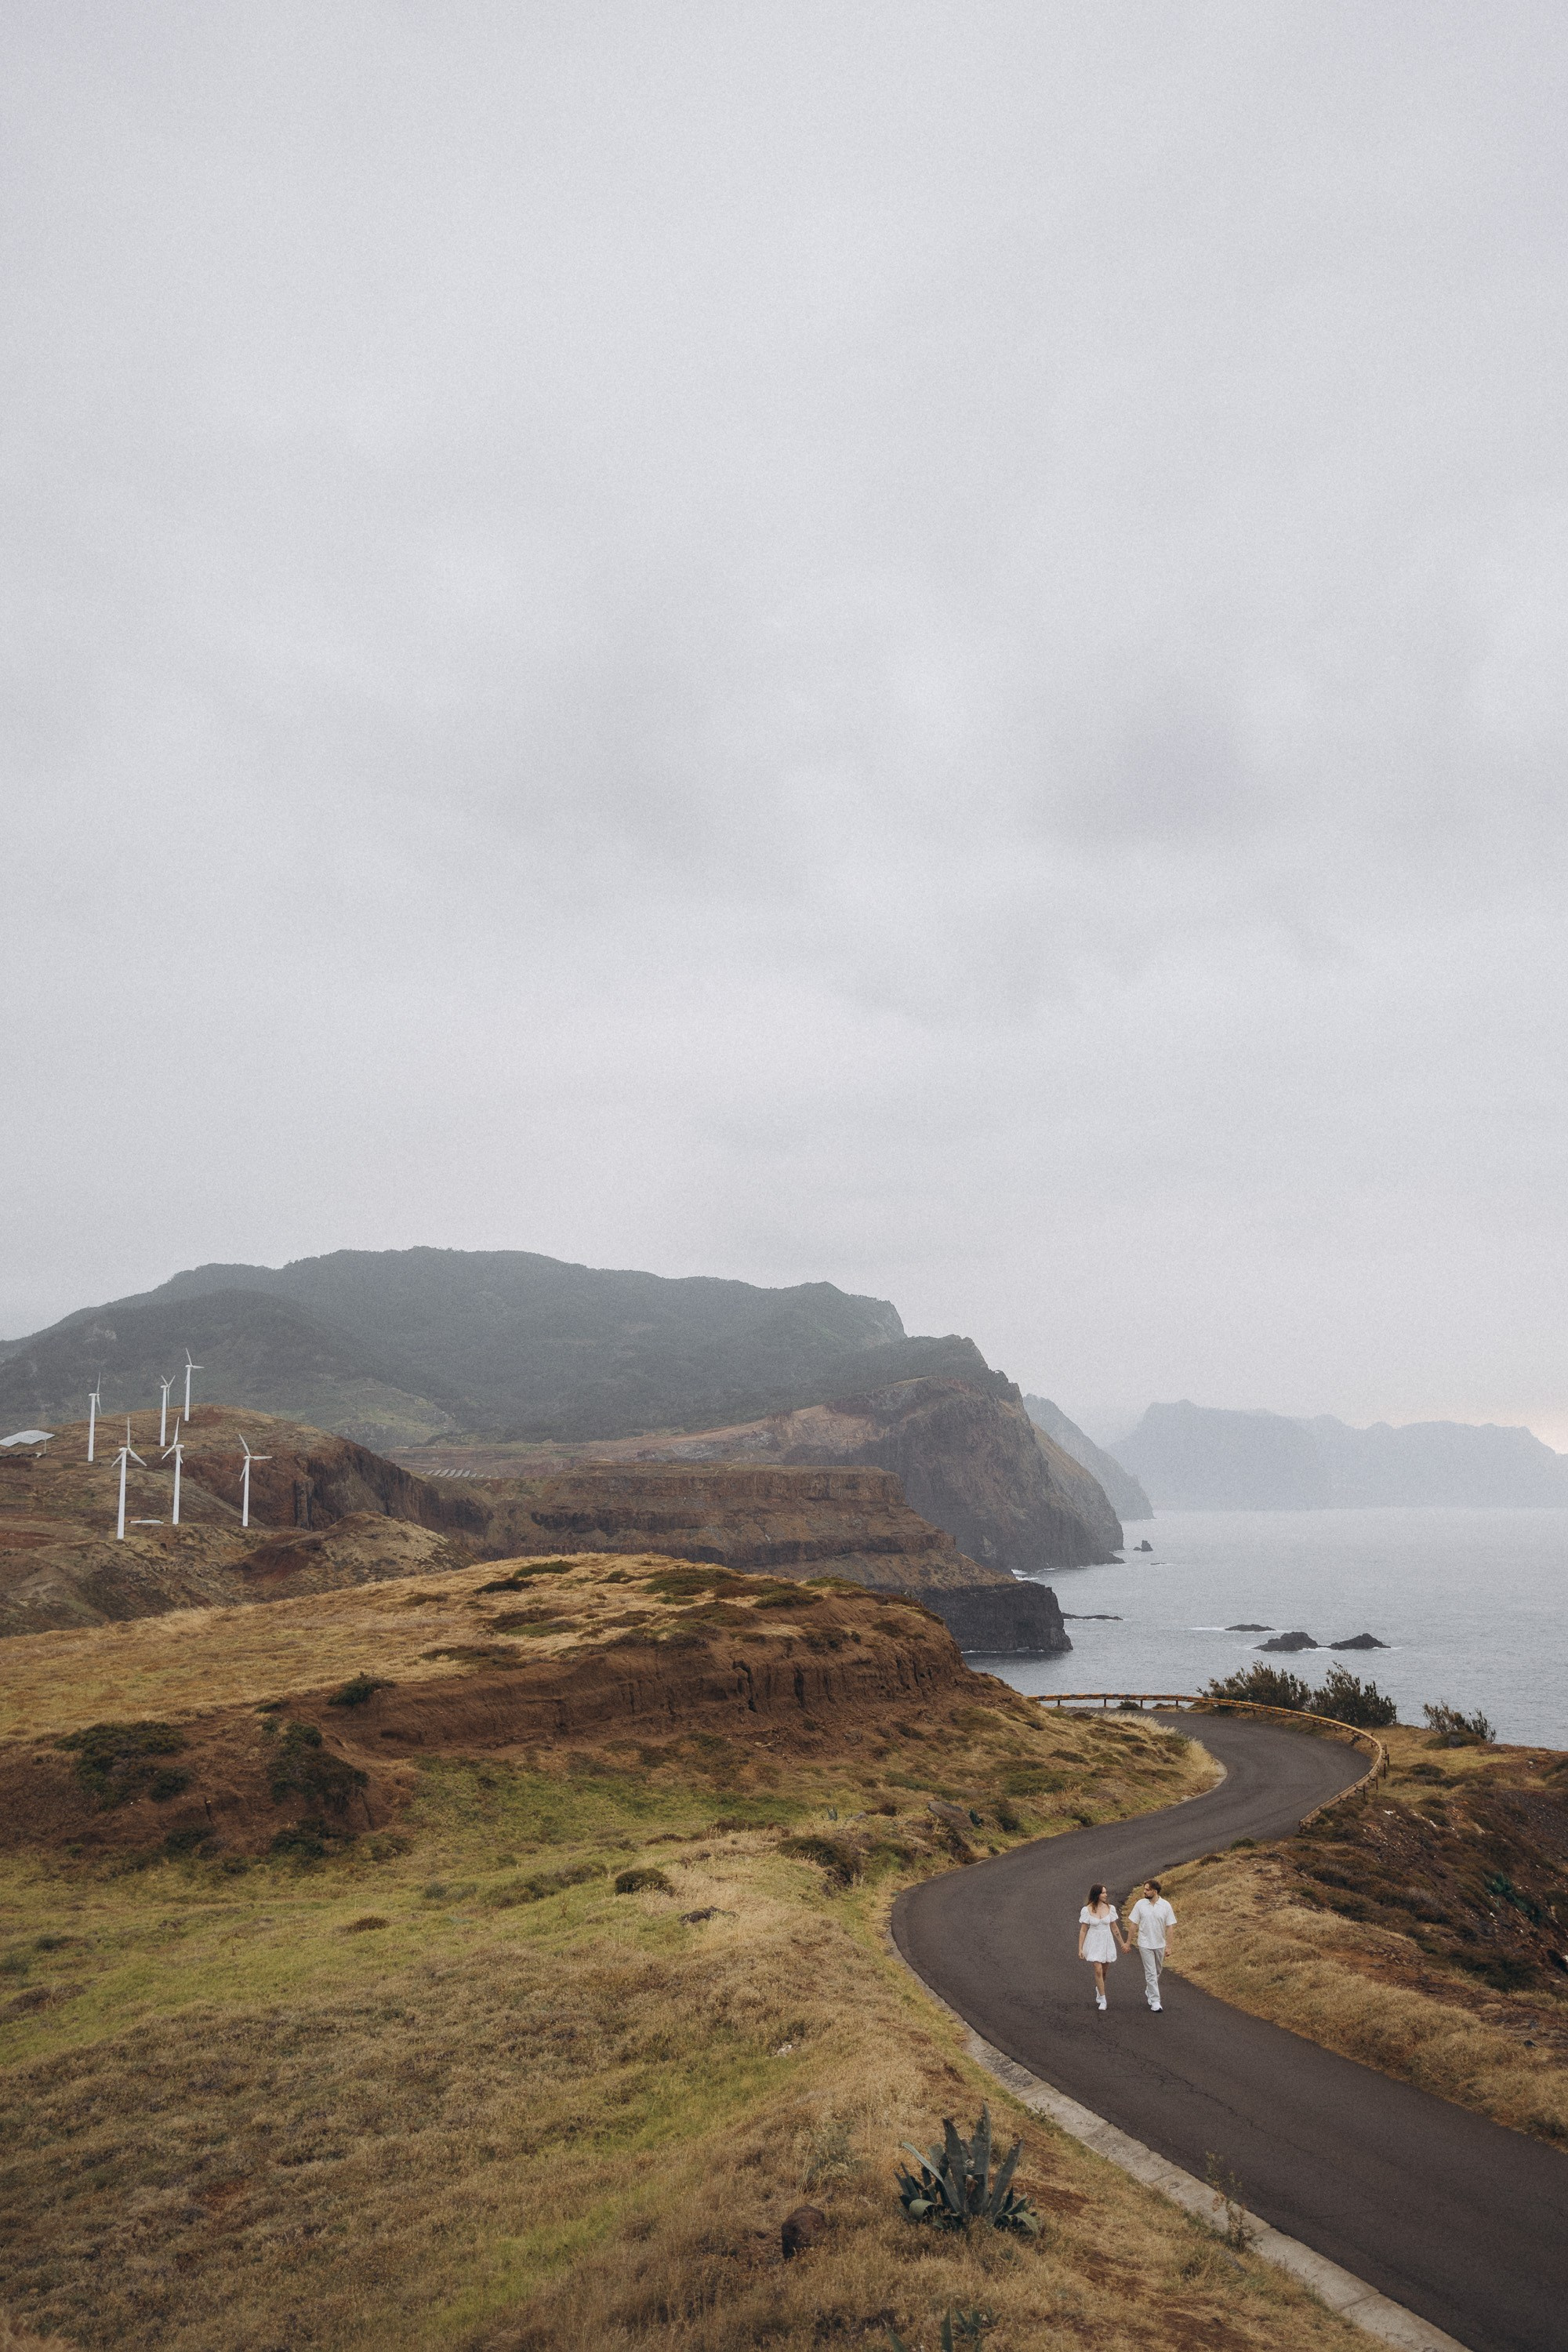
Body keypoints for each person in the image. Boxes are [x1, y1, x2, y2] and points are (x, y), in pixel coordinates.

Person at [1125, 1878, 1178, 2011]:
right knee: (1151, 1972)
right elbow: (1133, 1924)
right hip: (1145, 1944)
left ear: (1155, 1891)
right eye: (1144, 1889)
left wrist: (1169, 1946)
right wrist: (1128, 1942)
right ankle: (1155, 2001)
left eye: (1147, 1890)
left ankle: (1150, 1990)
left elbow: (1170, 1927)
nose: (1144, 1892)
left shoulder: (1166, 1905)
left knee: (1158, 1970)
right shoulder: (1140, 1904)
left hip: (1160, 1944)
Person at [1077, 1882, 1120, 2010]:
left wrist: (1122, 1943)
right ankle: (1103, 1998)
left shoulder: (1110, 1908)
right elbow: (1083, 1930)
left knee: (1104, 1971)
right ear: (1097, 1894)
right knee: (1098, 1969)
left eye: (1106, 1892)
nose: (1106, 1895)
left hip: (1106, 1941)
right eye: (1103, 1893)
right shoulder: (1087, 1910)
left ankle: (1099, 1987)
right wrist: (1080, 1948)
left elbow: (1114, 1927)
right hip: (1094, 1941)